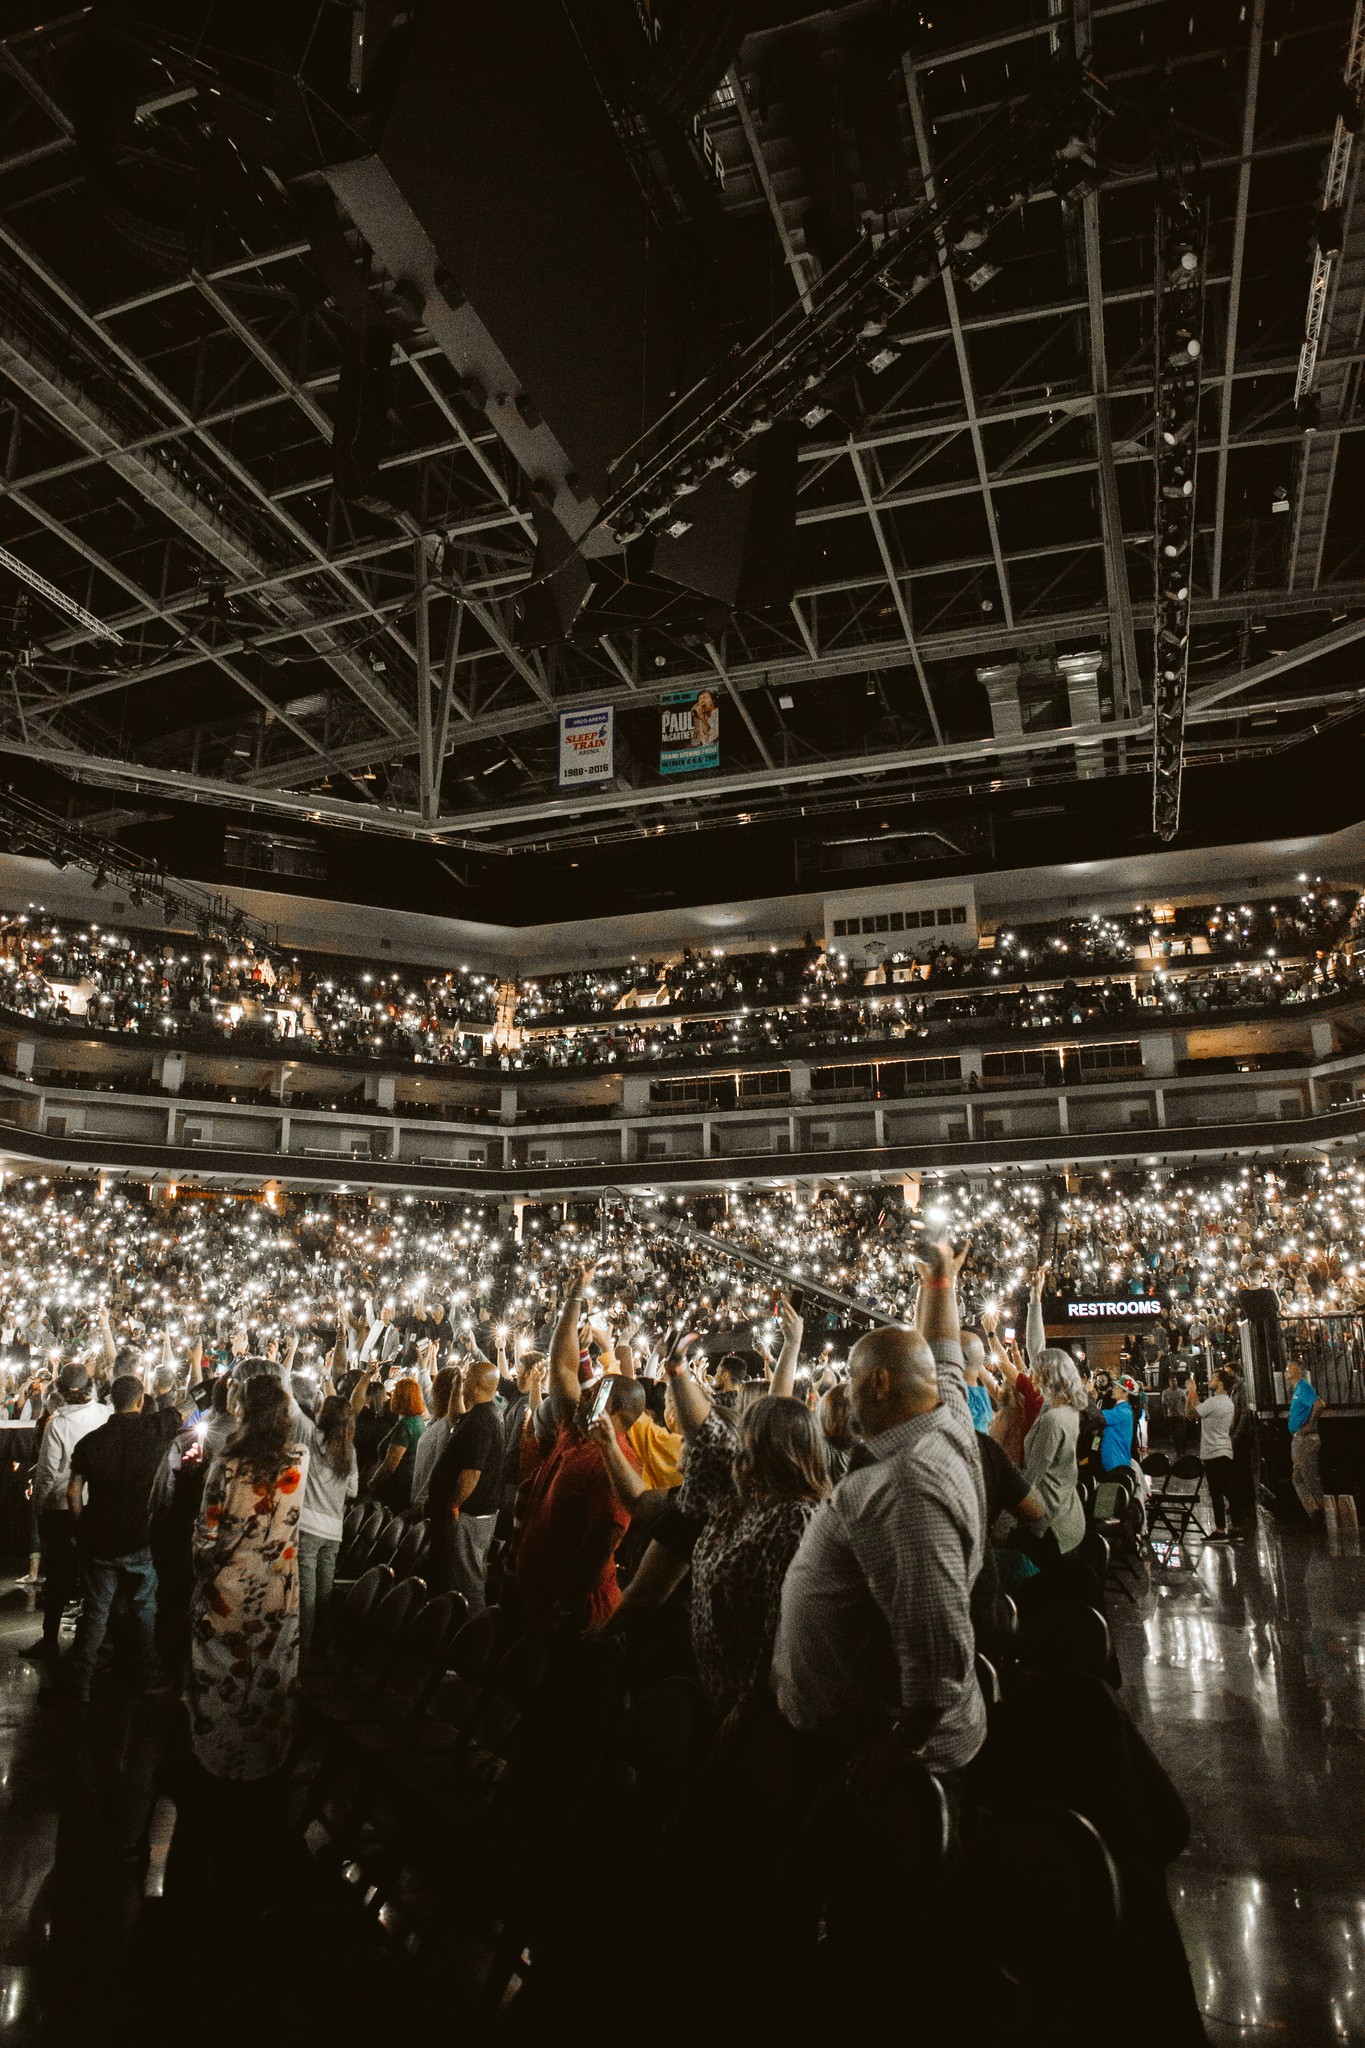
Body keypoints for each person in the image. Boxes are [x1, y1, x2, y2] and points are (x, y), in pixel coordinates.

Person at [771, 1238, 985, 1779]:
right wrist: (939, 1282)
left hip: (891, 1758)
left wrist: (897, 1748)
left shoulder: (908, 1487)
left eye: (851, 1379)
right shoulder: (947, 1418)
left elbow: (936, 1645)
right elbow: (945, 1355)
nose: (846, 1393)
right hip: (868, 1731)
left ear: (881, 1384)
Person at [662, 1335, 827, 1719]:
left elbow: (778, 1631)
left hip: (749, 1709)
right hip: (714, 1684)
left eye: (747, 1435)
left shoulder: (793, 1519)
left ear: (774, 1449)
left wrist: (746, 1713)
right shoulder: (739, 1501)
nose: (737, 1443)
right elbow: (708, 1434)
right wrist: (676, 1373)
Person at [187, 1377, 307, 1780]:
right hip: (278, 1586)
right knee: (269, 1674)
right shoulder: (299, 1459)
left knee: (222, 1673)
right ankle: (265, 1759)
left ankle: (218, 1757)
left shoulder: (227, 1463)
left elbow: (207, 1530)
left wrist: (202, 1569)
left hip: (230, 1584)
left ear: (245, 1412)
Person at [513, 1267, 644, 1630]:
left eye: (596, 1395)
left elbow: (602, 1540)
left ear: (617, 1412)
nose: (586, 1397)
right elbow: (562, 1365)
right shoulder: (575, 1430)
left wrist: (568, 1604)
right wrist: (573, 1298)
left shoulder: (618, 1463)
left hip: (579, 1614)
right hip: (539, 1598)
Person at [62, 1372, 181, 1702]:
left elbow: (73, 1492)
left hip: (98, 1538)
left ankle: (79, 1685)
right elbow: (176, 1411)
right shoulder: (153, 1433)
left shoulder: (90, 1442)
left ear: (110, 1401)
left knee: (95, 1613)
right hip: (137, 1539)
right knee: (145, 1609)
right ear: (141, 1402)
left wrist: (81, 1526)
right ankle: (150, 1677)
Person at [29, 1363, 111, 1663]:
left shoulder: (57, 1424)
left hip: (61, 1508)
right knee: (94, 1574)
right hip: (96, 1503)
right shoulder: (104, 1415)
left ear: (61, 1392)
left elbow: (48, 1472)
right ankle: (91, 1642)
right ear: (90, 1387)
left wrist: (38, 1505)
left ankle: (50, 1640)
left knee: (59, 1576)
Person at [426, 1357, 505, 1607]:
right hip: (470, 1513)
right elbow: (454, 1418)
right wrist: (458, 1384)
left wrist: (453, 1504)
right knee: (459, 1574)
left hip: (469, 1514)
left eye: (467, 1375)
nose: (463, 1378)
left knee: (467, 1581)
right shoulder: (483, 1412)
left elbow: (472, 1472)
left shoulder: (482, 1422)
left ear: (476, 1383)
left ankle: (470, 1634)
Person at [295, 1394, 360, 1659]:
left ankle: (304, 1648)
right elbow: (354, 1490)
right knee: (324, 1592)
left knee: (306, 1595)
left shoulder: (311, 1440)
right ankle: (322, 1644)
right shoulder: (349, 1449)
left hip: (308, 1526)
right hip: (333, 1531)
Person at [1020, 1348, 1088, 1566]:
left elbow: (1033, 1475)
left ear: (1047, 1375)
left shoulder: (1053, 1420)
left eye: (1035, 1369)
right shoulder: (1067, 1410)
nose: (1030, 1373)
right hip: (1067, 1508)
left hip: (1051, 1517)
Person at [1185, 1368, 1236, 1540]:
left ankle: (1220, 1530)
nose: (1210, 1379)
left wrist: (1191, 1391)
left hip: (1212, 1452)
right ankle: (1236, 1527)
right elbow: (1196, 1409)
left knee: (1216, 1492)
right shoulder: (1228, 1403)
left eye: (1213, 1377)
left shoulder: (1215, 1402)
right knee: (1229, 1489)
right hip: (1225, 1449)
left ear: (1220, 1384)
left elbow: (1193, 1412)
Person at [367, 1376, 425, 1509]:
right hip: (407, 1484)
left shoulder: (405, 1426)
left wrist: (373, 1482)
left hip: (395, 1488)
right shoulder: (418, 1421)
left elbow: (391, 1464)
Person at [1285, 1357, 1325, 1525]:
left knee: (1308, 1476)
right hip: (1299, 1439)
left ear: (1298, 1371)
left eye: (1289, 1369)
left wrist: (1309, 1424)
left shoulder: (1303, 1387)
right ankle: (1314, 1511)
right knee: (1299, 1477)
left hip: (1305, 1439)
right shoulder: (1296, 1390)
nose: (1286, 1372)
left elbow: (1319, 1404)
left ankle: (1321, 1514)